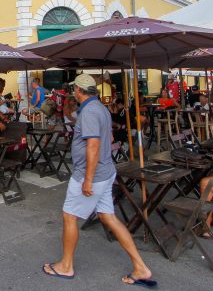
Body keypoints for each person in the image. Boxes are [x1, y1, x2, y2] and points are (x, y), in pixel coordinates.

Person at [43, 74, 155, 286]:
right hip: (106, 171)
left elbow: (93, 146)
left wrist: (88, 179)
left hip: (92, 173)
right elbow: (109, 137)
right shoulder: (101, 109)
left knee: (69, 216)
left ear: (78, 90)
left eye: (73, 89)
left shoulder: (90, 112)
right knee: (108, 217)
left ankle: (66, 266)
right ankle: (140, 267)